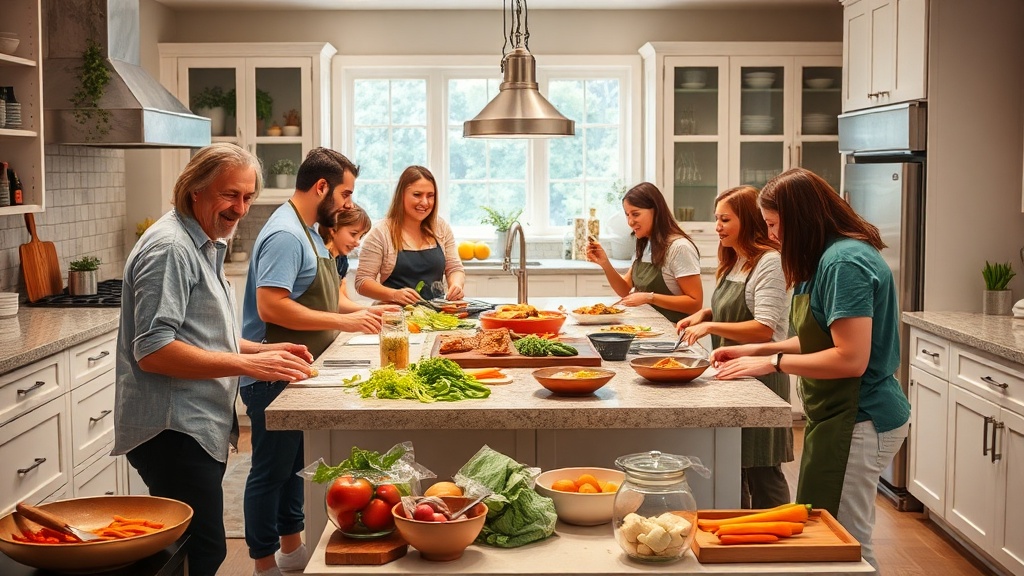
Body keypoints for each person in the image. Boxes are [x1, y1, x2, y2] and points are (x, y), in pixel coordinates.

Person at [113, 143, 314, 576]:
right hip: (172, 429)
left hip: (194, 424)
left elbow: (204, 334)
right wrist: (249, 366)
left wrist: (265, 351)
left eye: (247, 197)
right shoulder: (171, 248)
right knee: (202, 553)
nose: (240, 208)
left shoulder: (202, 241)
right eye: (230, 195)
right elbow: (152, 350)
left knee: (193, 550)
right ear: (195, 191)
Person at [711, 168, 910, 573]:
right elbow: (823, 338)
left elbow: (850, 358)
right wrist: (758, 346)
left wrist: (772, 362)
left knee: (846, 544)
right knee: (825, 531)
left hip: (861, 415)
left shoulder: (844, 263)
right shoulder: (822, 258)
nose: (771, 236)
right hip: (837, 418)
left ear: (799, 218)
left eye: (772, 224)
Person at [240, 148, 395, 576]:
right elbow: (271, 307)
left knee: (294, 471)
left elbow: (322, 294)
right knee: (270, 473)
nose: (348, 203)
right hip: (273, 373)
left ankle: (292, 554)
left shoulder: (309, 229)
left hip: (298, 371)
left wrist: (360, 313)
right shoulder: (287, 235)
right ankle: (262, 563)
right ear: (321, 187)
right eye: (345, 193)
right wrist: (343, 318)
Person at [675, 186, 793, 509]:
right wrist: (705, 313)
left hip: (763, 378)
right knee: (734, 466)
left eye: (725, 219)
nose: (717, 227)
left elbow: (764, 327)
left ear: (750, 220)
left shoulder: (769, 262)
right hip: (731, 374)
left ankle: (778, 544)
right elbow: (734, 305)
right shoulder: (735, 260)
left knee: (764, 472)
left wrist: (711, 326)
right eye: (716, 219)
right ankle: (739, 545)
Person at [586, 182, 702, 323]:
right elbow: (625, 290)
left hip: (673, 333)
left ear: (656, 211)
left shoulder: (679, 248)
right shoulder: (646, 244)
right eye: (627, 215)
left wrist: (649, 297)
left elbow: (695, 304)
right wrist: (605, 264)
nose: (630, 222)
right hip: (646, 329)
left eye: (635, 214)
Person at [355, 165, 466, 304]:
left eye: (430, 196)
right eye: (417, 195)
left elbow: (455, 268)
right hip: (394, 316)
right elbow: (362, 282)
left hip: (437, 315)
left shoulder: (441, 228)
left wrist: (456, 285)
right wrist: (394, 294)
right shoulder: (380, 233)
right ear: (401, 195)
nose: (425, 202)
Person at [317, 203, 372, 311]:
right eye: (353, 234)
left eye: (361, 236)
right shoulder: (318, 257)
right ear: (333, 229)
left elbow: (340, 298)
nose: (357, 242)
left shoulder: (341, 261)